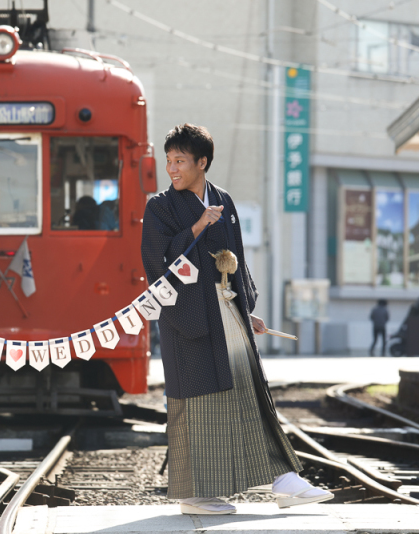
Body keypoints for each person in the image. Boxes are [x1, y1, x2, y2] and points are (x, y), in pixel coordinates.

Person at [141, 124, 331, 515]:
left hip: (226, 312)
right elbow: (157, 265)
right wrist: (196, 227)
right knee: (199, 404)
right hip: (188, 320)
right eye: (168, 161)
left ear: (202, 162)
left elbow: (236, 262)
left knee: (248, 392)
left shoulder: (222, 200)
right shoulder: (159, 207)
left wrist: (246, 311)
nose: (172, 169)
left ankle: (283, 481)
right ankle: (194, 495)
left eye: (179, 161)